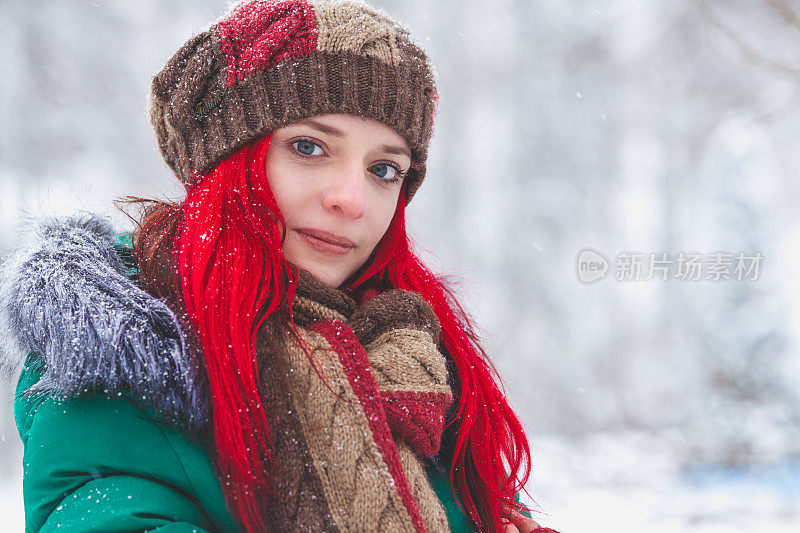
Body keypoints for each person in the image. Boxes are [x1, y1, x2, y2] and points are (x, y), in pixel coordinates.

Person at [0, 1, 558, 531]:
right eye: (310, 148)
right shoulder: (120, 365)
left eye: (384, 169)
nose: (352, 200)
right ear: (226, 163)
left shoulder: (419, 367)